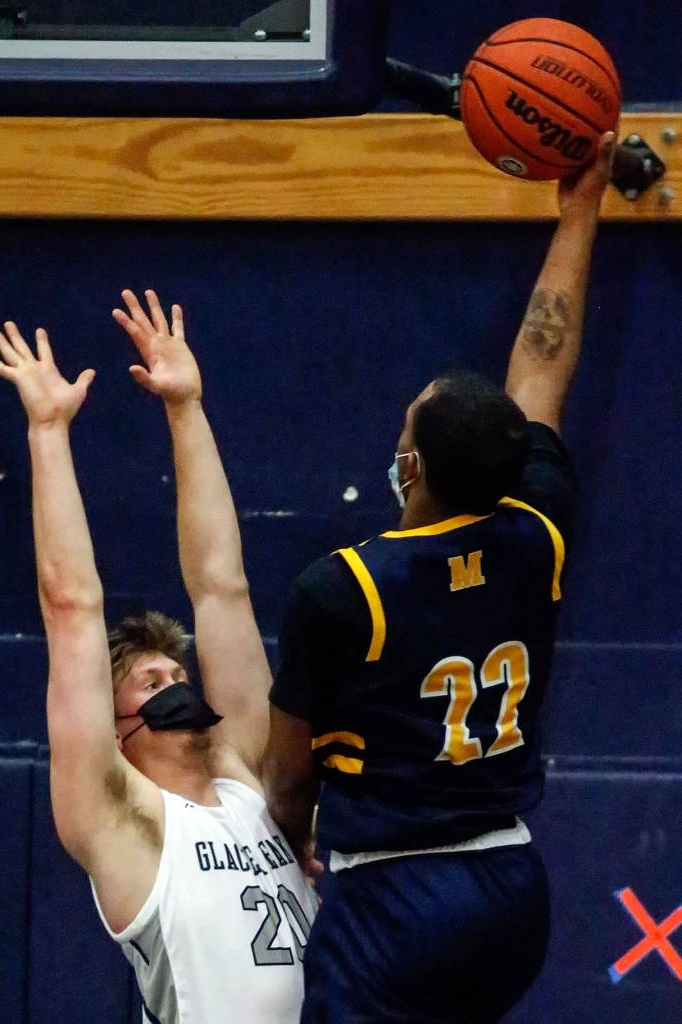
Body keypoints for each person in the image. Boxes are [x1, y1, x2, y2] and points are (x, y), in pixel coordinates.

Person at [264, 132, 617, 1024]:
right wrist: (583, 202)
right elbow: (542, 361)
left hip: (395, 897)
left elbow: (287, 781)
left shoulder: (342, 587)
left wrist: (292, 841)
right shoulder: (536, 528)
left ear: (410, 468)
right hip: (508, 887)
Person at [0, 290, 315, 1024]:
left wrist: (185, 408)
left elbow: (221, 585)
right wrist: (47, 432)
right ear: (112, 719)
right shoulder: (123, 818)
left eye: (177, 674)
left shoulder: (243, 778)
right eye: (150, 680)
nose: (174, 684)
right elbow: (71, 605)